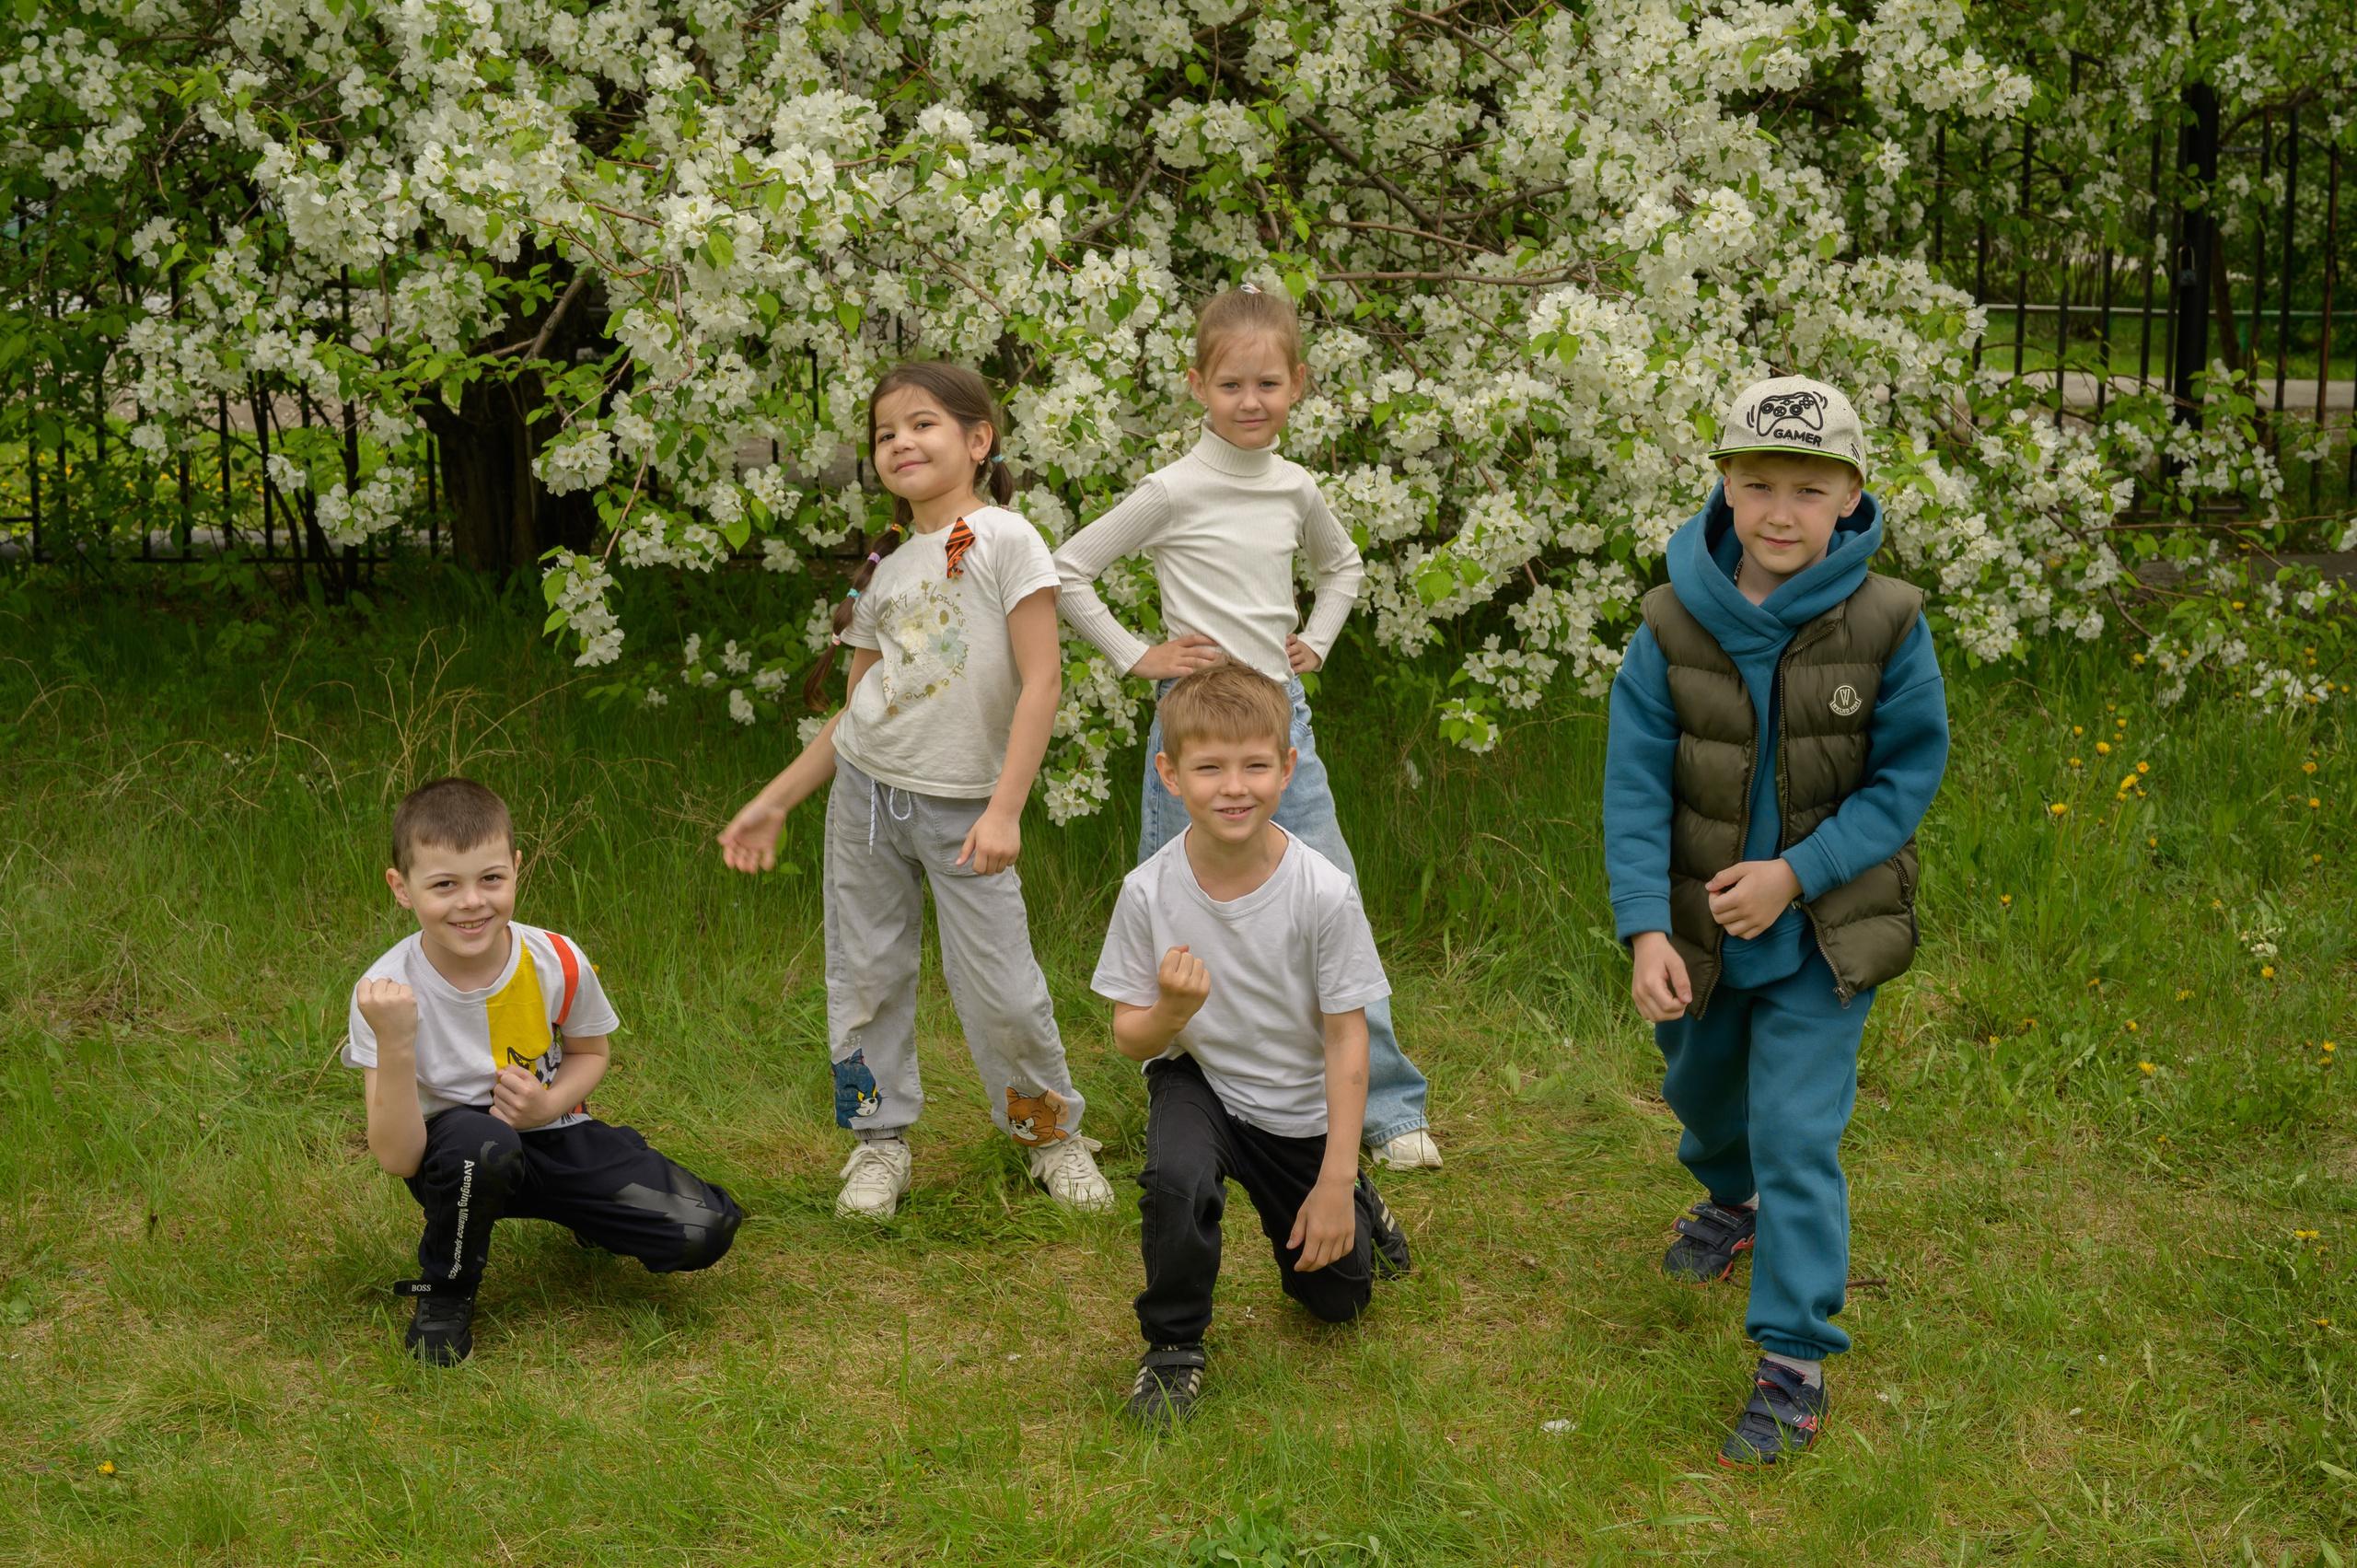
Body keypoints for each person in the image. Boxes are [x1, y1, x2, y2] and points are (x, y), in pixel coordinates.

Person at [1604, 376, 1951, 1465]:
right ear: (1723, 485)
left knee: (1800, 1133)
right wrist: (1643, 928)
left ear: (1852, 496)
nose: (1782, 511)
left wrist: (1795, 875)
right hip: (1697, 934)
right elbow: (1632, 787)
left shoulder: (1888, 621)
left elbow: (1905, 779)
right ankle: (1728, 1194)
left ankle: (1793, 1359)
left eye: (1811, 487)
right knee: (1702, 1095)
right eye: (1758, 485)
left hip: (1820, 936)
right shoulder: (1668, 623)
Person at [1052, 285, 1441, 1173]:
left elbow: (1340, 567)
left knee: (1333, 893)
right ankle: (1191, 1101)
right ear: (1197, 385)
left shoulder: (1296, 487)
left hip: (1276, 721)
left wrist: (1319, 638)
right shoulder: (1172, 488)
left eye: (1268, 383)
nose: (1251, 401)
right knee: (1182, 915)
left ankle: (1387, 1107)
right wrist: (1137, 653)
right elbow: (1071, 569)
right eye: (1232, 385)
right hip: (1192, 728)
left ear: (1297, 385)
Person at [717, 360, 1113, 1220]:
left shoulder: (1010, 540)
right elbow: (857, 710)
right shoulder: (889, 567)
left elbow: (1042, 682)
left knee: (1002, 985)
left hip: (967, 807)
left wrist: (1005, 807)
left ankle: (1048, 1136)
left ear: (978, 440)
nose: (901, 442)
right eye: (885, 432)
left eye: (923, 423)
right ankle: (877, 1142)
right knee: (864, 978)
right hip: (864, 802)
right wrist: (777, 798)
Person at [1091, 662, 1413, 1425]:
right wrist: (1171, 1010)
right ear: (1170, 775)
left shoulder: (1323, 891)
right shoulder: (1148, 890)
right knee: (1176, 1177)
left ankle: (1362, 1202)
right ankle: (1173, 1348)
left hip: (1297, 1110)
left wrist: (1336, 1178)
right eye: (1209, 767)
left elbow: (1348, 1039)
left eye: (1254, 765)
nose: (1233, 786)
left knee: (1337, 1299)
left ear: (1286, 767)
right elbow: (1126, 1034)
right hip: (1198, 1079)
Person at [345, 776, 743, 1366]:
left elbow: (590, 1053)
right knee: (481, 1146)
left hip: (554, 1130)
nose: (472, 902)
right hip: (457, 1156)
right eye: (444, 885)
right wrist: (398, 1043)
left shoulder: (556, 958)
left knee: (705, 1228)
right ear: (402, 889)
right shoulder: (386, 992)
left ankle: (588, 1204)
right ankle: (448, 1289)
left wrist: (551, 1106)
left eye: (491, 878)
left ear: (517, 869)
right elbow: (398, 1158)